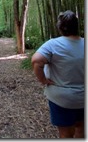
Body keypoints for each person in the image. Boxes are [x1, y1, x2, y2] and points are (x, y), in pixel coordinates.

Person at [31, 10, 84, 138]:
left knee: (66, 133)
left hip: (62, 98)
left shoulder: (53, 44)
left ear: (60, 27)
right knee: (82, 130)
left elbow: (36, 61)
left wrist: (43, 80)